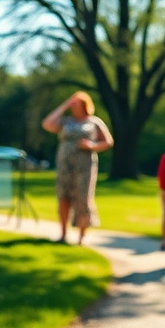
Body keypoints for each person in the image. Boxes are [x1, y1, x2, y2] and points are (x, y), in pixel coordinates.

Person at [41, 91, 113, 244]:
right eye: (72, 104)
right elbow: (47, 124)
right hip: (64, 165)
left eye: (76, 104)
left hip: (84, 166)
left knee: (83, 198)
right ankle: (63, 234)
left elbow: (108, 142)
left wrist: (92, 145)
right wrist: (65, 105)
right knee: (63, 197)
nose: (74, 107)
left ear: (85, 105)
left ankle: (82, 236)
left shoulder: (94, 122)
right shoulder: (66, 121)